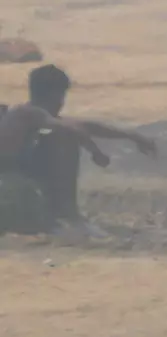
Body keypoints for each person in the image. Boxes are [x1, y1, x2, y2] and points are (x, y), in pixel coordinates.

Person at [0, 65, 158, 233]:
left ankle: (57, 212)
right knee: (62, 139)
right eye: (62, 96)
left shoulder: (26, 114)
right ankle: (69, 214)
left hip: (13, 172)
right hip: (10, 179)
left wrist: (131, 135)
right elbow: (71, 130)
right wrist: (96, 152)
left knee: (58, 134)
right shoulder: (31, 113)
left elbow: (84, 126)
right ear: (55, 95)